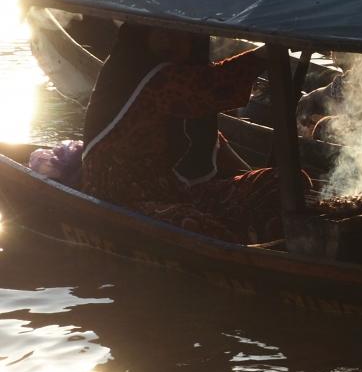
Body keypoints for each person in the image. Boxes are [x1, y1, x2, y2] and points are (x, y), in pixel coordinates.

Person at [81, 24, 302, 243]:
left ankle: (262, 239)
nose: (171, 40)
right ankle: (252, 249)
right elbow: (212, 87)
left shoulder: (173, 71)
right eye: (163, 31)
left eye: (179, 33)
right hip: (122, 198)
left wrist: (252, 175)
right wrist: (264, 55)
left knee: (281, 183)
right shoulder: (138, 71)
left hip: (175, 191)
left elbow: (210, 139)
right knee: (193, 224)